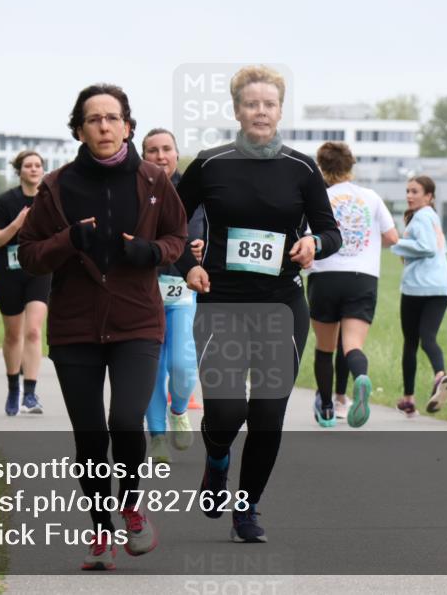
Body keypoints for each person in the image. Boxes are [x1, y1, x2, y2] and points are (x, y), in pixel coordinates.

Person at [18, 83, 186, 571]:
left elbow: (177, 235)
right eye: (94, 119)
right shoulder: (56, 187)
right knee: (90, 437)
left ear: (128, 126)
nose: (105, 126)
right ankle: (100, 531)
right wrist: (69, 240)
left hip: (136, 320)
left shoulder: (155, 181)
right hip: (75, 325)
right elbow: (28, 256)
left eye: (113, 118)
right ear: (79, 129)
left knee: (125, 421)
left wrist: (153, 253)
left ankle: (131, 504)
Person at [176, 65, 341, 543]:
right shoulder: (211, 164)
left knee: (268, 414)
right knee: (226, 414)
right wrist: (188, 266)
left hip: (282, 305)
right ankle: (217, 459)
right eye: (252, 104)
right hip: (222, 303)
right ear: (237, 110)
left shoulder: (302, 167)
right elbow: (171, 224)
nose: (261, 112)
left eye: (270, 104)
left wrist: (315, 245)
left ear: (280, 111)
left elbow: (331, 231)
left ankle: (246, 511)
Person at [306, 142, 398, 428]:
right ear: (351, 166)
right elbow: (393, 237)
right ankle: (360, 378)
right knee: (352, 344)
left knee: (325, 348)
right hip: (363, 277)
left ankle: (327, 410)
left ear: (321, 167)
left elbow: (308, 241)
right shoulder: (371, 197)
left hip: (325, 276)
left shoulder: (318, 198)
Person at [140, 128, 206, 463]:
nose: (161, 156)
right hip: (143, 291)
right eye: (153, 150)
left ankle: (179, 409)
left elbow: (203, 229)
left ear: (177, 153)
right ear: (143, 156)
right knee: (152, 367)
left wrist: (201, 246)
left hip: (181, 289)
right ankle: (157, 435)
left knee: (181, 362)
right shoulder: (134, 190)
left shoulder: (191, 188)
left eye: (167, 149)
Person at [0, 150, 50, 416]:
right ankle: (13, 387)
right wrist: (17, 224)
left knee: (34, 331)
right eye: (28, 165)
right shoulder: (5, 201)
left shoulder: (49, 200)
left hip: (39, 271)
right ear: (20, 170)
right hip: (9, 274)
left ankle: (31, 393)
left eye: (38, 165)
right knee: (13, 335)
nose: (34, 169)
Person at [390, 175, 447, 415]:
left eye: (415, 191)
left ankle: (411, 397)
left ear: (429, 196)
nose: (409, 195)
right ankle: (439, 375)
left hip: (418, 288)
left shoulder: (422, 217)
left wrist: (397, 243)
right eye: (407, 191)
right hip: (441, 288)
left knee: (411, 342)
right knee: (428, 338)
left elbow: (427, 248)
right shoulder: (433, 218)